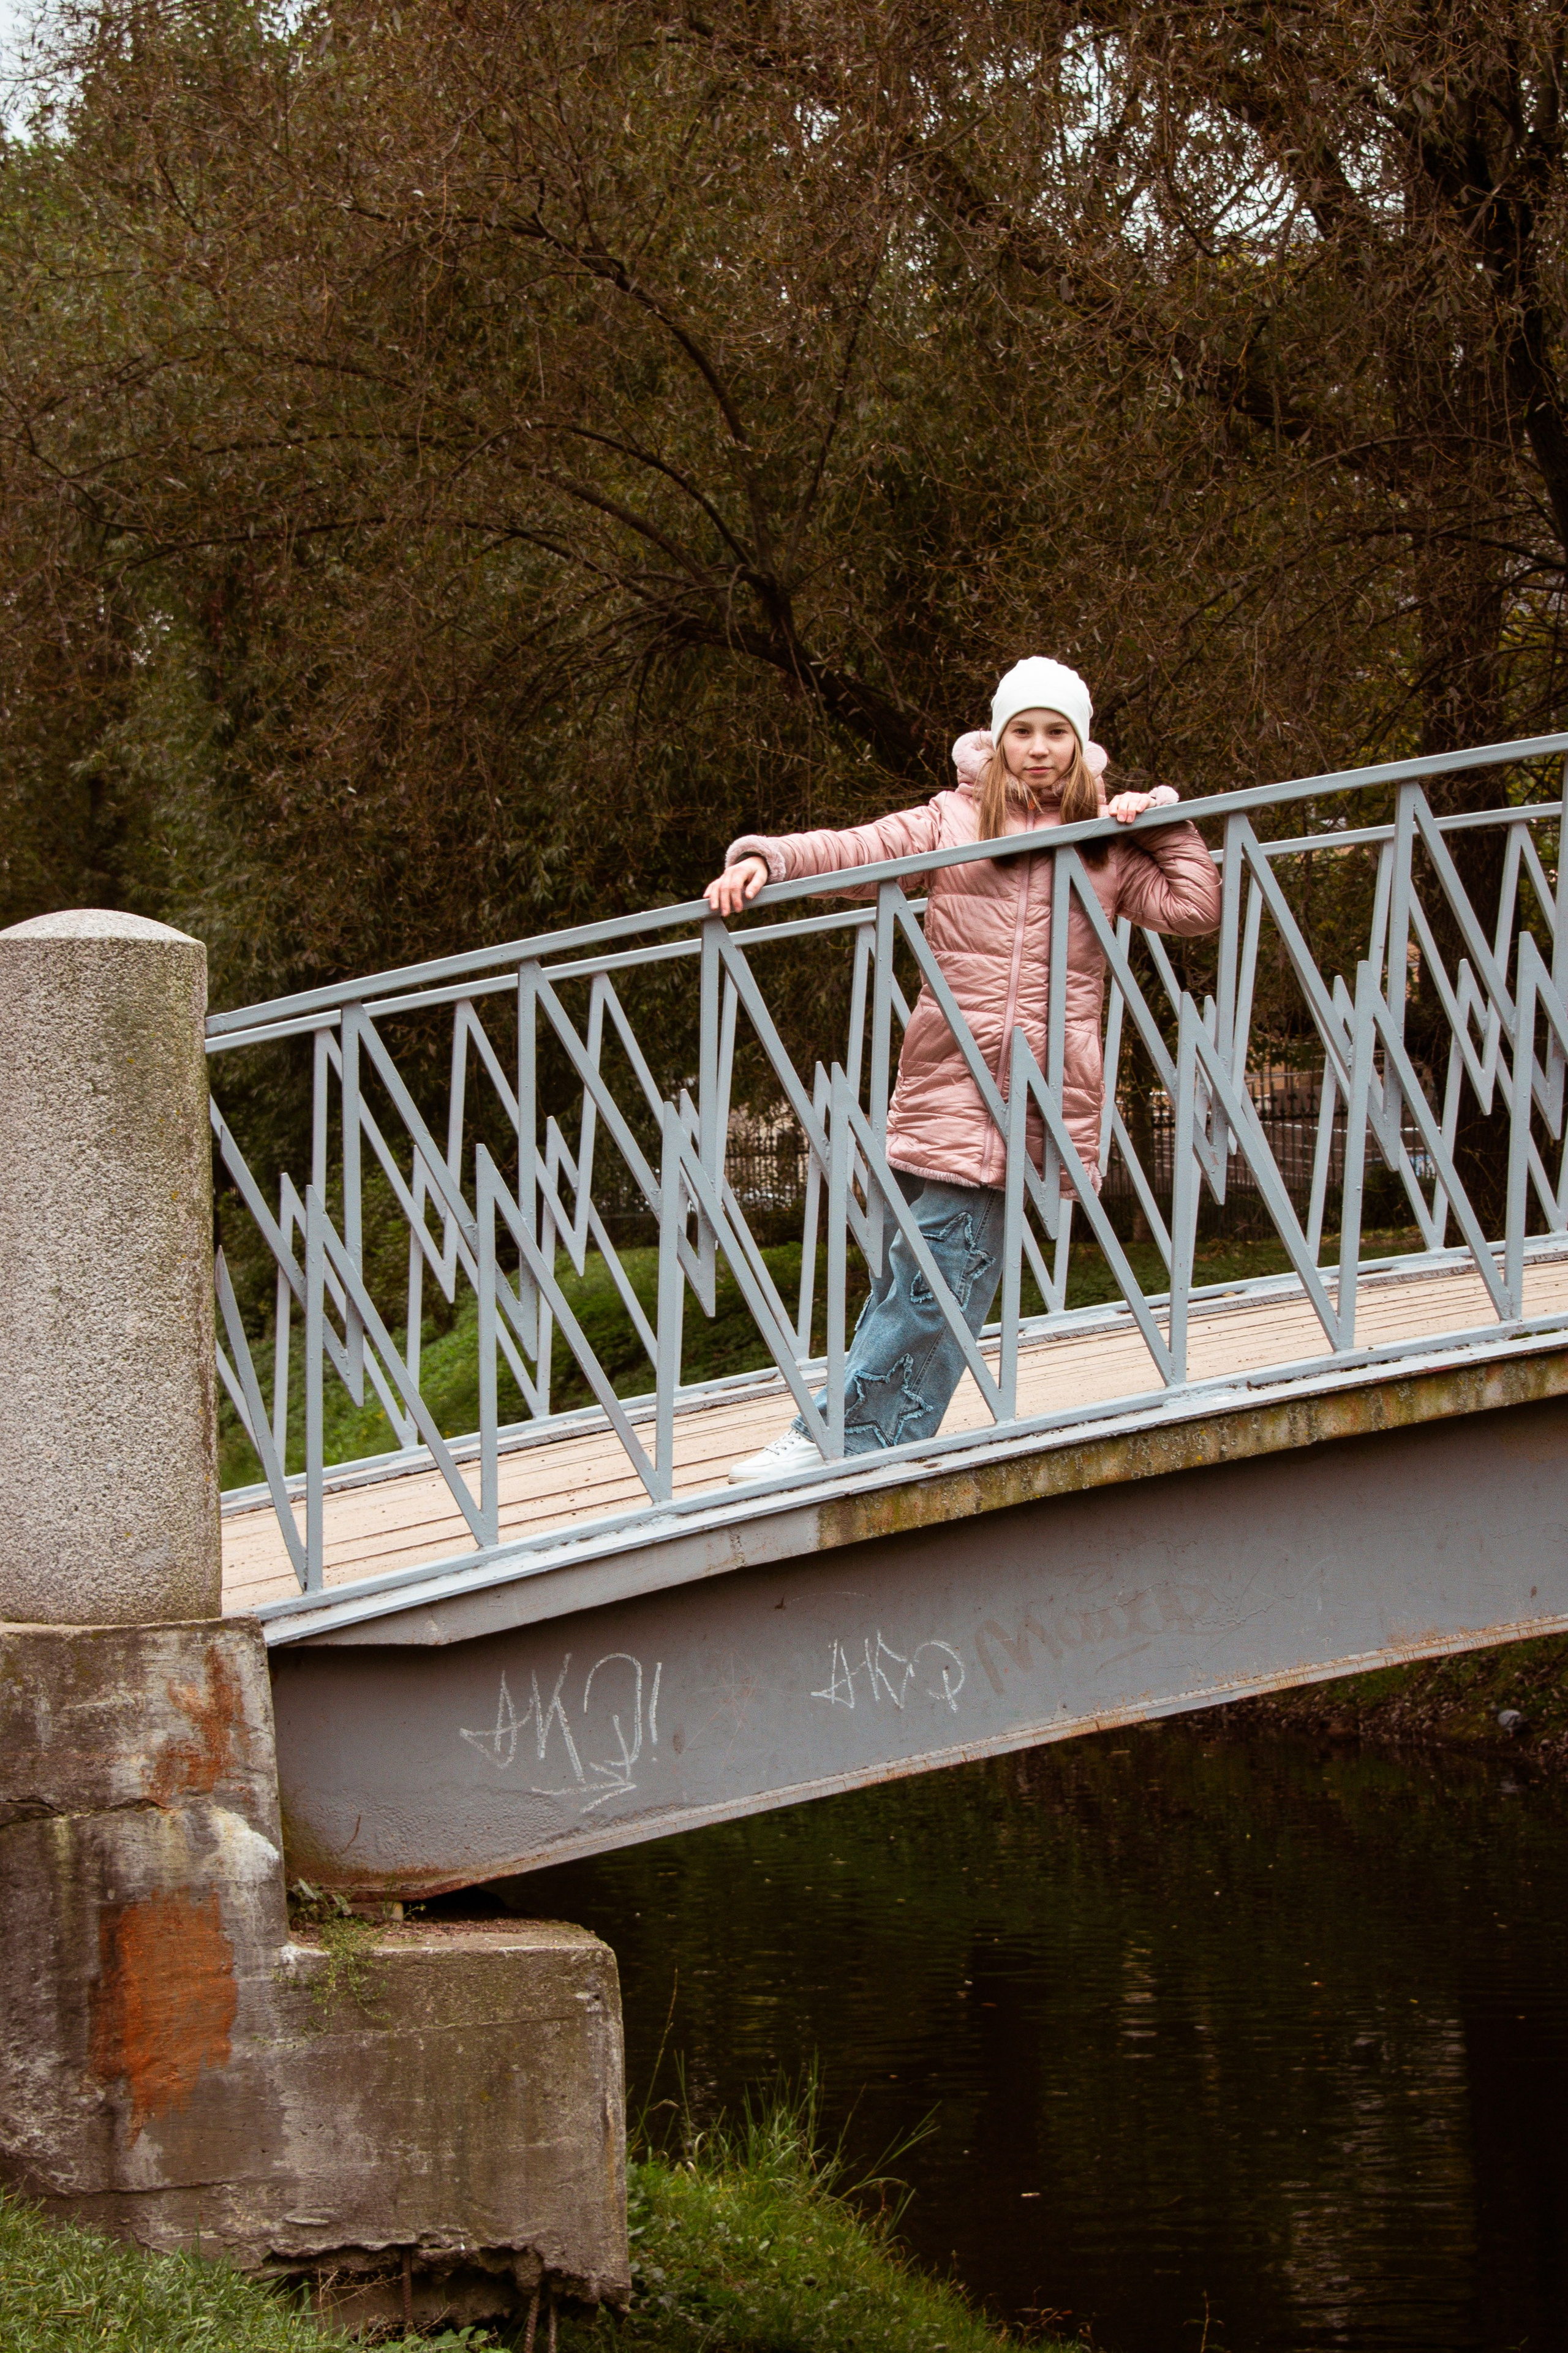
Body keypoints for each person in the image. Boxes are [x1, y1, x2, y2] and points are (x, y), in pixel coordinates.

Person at [703, 657, 1221, 1484]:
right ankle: (855, 1441)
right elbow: (858, 848)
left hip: (1032, 1096)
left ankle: (836, 1443)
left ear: (1082, 745)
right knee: (926, 1278)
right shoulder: (952, 820)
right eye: (1024, 732)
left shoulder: (1105, 843)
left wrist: (1159, 817)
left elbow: (1195, 907)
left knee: (938, 1277)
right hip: (948, 1080)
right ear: (999, 738)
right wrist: (767, 861)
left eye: (1058, 733)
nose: (1040, 749)